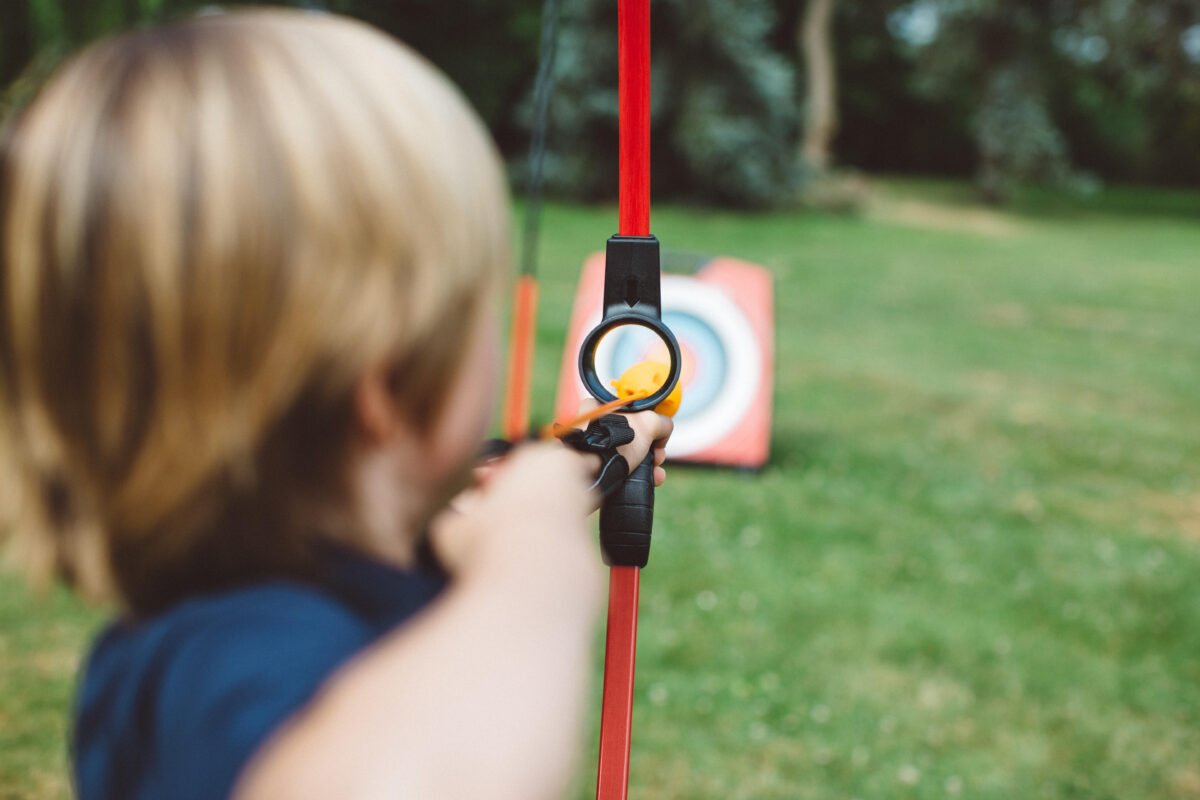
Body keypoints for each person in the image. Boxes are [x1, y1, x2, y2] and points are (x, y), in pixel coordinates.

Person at [0, 9, 672, 799]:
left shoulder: (251, 610)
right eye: (471, 311)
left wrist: (576, 465)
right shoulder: (239, 657)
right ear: (390, 383)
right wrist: (532, 548)